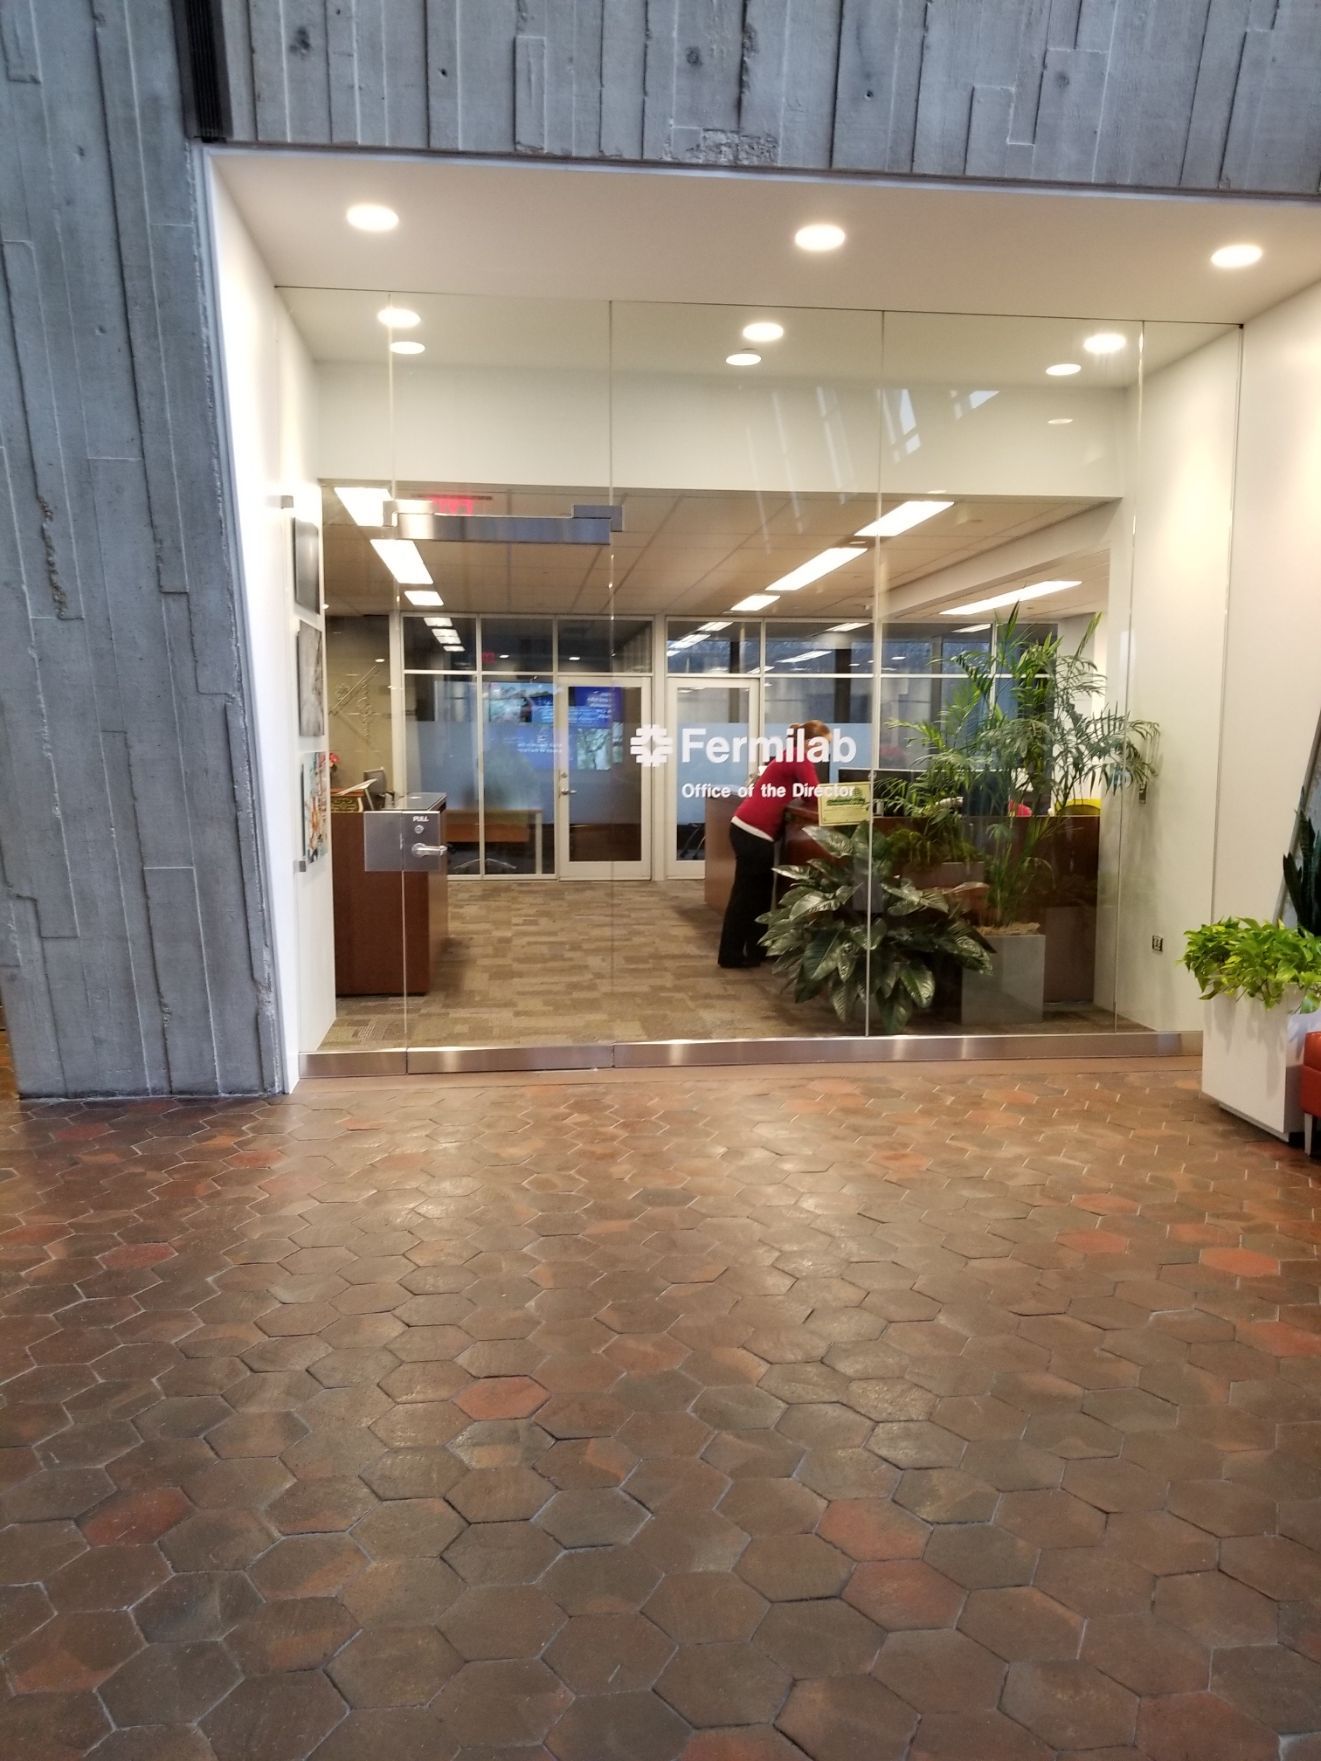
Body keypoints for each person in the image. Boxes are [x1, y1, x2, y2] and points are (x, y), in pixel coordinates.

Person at [718, 720, 829, 969]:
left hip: (748, 829)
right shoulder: (799, 757)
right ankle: (730, 955)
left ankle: (755, 952)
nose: (824, 751)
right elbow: (814, 794)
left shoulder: (791, 755)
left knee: (756, 895)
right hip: (754, 832)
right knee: (746, 897)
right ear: (812, 742)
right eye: (823, 745)